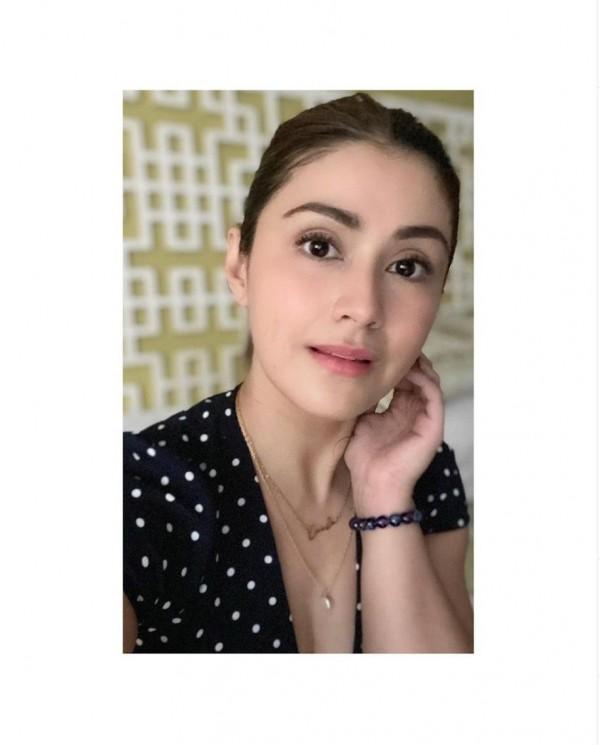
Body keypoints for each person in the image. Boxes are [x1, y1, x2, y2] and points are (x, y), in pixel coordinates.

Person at [123, 91, 473, 654]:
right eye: (320, 245)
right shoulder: (143, 492)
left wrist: (385, 495)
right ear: (239, 265)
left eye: (408, 266)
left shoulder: (424, 476)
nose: (363, 306)